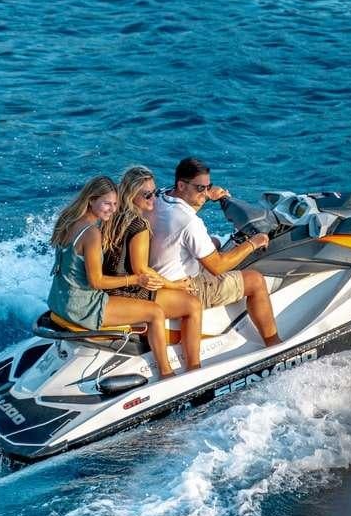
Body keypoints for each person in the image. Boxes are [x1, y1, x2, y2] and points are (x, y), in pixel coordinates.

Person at [47, 175, 178, 378]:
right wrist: (136, 279)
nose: (113, 209)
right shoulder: (91, 233)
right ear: (91, 200)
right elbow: (97, 282)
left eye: (115, 204)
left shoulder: (68, 220)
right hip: (82, 307)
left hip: (59, 300)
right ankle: (166, 373)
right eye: (107, 203)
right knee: (155, 312)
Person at [149, 157, 282, 346]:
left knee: (215, 242)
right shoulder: (190, 223)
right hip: (185, 287)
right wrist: (253, 243)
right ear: (181, 185)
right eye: (200, 188)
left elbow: (182, 213)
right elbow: (217, 267)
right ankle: (274, 343)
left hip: (160, 274)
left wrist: (206, 195)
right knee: (255, 280)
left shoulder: (160, 196)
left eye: (208, 186)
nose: (205, 192)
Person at [102, 166, 206, 372]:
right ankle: (192, 368)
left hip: (110, 287)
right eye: (147, 195)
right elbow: (142, 271)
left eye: (155, 192)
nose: (154, 198)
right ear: (132, 195)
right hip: (127, 291)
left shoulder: (113, 216)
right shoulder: (139, 225)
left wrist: (205, 196)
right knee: (192, 305)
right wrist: (175, 285)